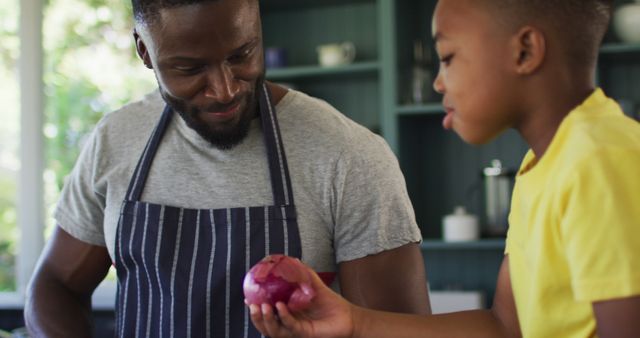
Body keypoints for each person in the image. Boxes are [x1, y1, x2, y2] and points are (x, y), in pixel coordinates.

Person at [23, 0, 431, 336]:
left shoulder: (349, 155)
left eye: (242, 55)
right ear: (145, 52)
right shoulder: (115, 140)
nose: (225, 89)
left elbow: (398, 328)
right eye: (190, 69)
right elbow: (54, 285)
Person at [248, 0, 640, 337]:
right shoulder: (544, 164)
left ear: (524, 51)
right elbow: (505, 326)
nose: (437, 82)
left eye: (449, 57)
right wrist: (354, 322)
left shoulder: (598, 160)